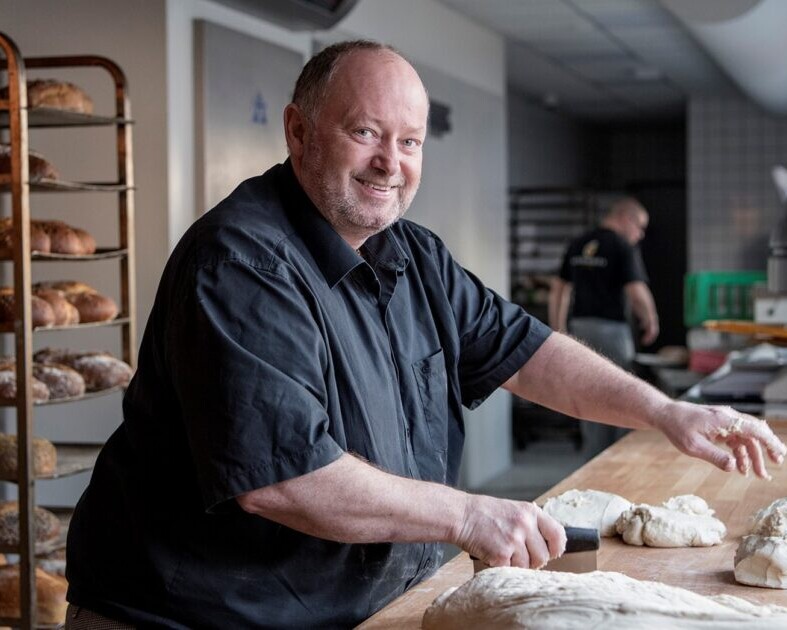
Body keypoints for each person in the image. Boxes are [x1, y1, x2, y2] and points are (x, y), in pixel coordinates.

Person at [64, 41, 785, 629]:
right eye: (365, 132)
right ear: (298, 132)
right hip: (194, 614)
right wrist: (468, 513)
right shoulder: (241, 264)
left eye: (408, 141)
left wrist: (666, 412)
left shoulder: (413, 254)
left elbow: (529, 352)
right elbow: (284, 479)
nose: (390, 162)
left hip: (355, 604)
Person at [549, 197, 659, 457]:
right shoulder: (621, 246)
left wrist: (558, 329)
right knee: (621, 392)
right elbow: (637, 291)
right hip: (612, 331)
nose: (640, 234)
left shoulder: (578, 243)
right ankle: (618, 459)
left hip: (580, 328)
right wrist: (651, 319)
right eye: (639, 226)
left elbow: (559, 290)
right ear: (625, 218)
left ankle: (593, 457)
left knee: (588, 394)